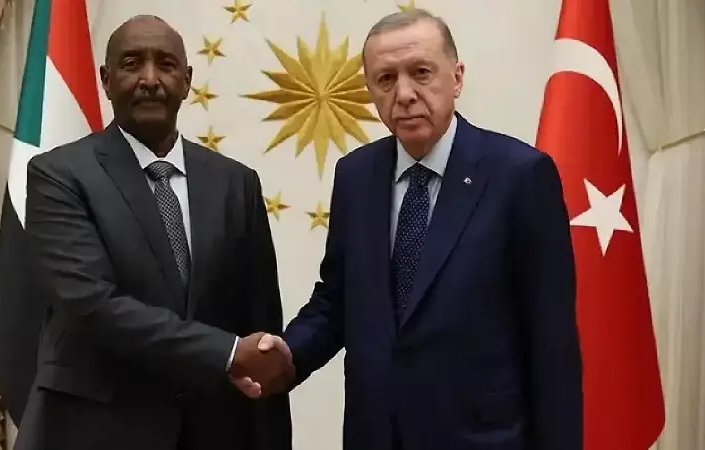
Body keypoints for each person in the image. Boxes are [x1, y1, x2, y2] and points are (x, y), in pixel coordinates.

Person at [236, 9, 583, 450]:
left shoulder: (520, 175)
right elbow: (337, 300)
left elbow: (551, 343)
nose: (404, 94)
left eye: (421, 73)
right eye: (385, 79)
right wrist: (289, 353)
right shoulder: (356, 175)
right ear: (370, 89)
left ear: (456, 78)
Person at [14, 15, 293, 450]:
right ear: (106, 80)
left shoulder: (236, 183)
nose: (149, 79)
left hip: (215, 432)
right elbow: (91, 306)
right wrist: (225, 352)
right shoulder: (59, 175)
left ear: (187, 80)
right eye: (131, 64)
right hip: (97, 432)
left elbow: (259, 325)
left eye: (165, 64)